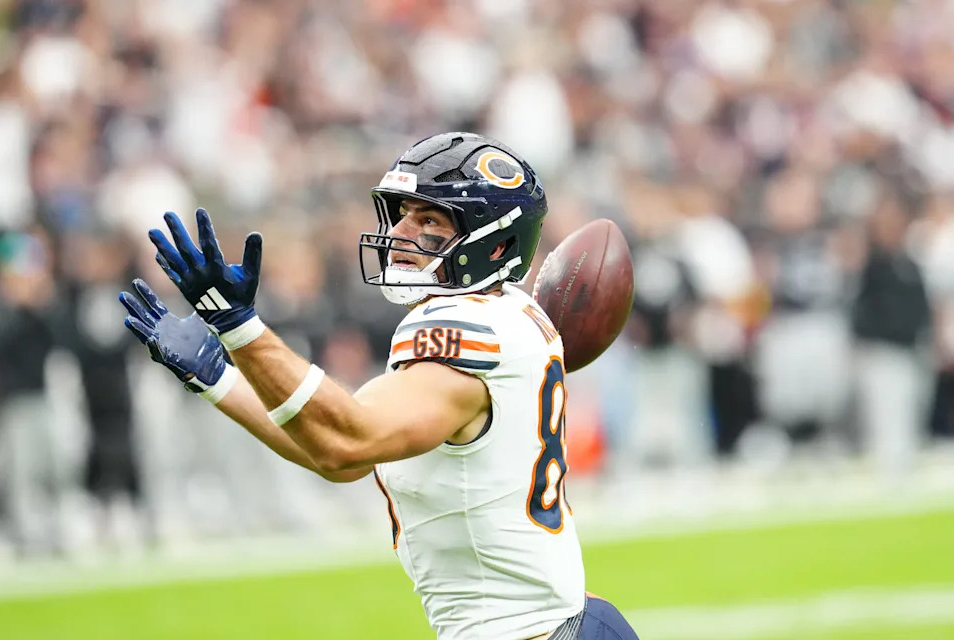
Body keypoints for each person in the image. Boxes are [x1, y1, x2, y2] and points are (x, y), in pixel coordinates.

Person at [119, 132, 638, 640]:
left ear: (495, 242)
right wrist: (221, 380)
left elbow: (347, 440)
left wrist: (239, 328)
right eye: (403, 214)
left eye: (429, 220)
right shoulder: (510, 315)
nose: (401, 234)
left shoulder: (466, 329)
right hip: (562, 621)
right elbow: (341, 454)